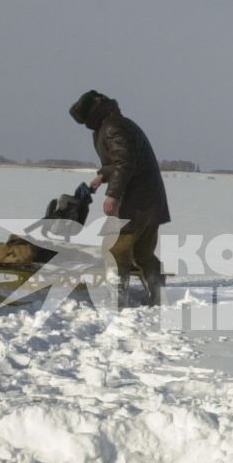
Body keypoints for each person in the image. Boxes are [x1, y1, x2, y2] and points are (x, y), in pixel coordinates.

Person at [68, 89, 170, 305]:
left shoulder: (114, 128)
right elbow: (119, 162)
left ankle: (117, 300)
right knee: (143, 254)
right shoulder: (120, 124)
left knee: (114, 251)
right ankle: (158, 295)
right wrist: (101, 176)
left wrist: (112, 195)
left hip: (134, 204)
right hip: (150, 202)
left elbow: (124, 163)